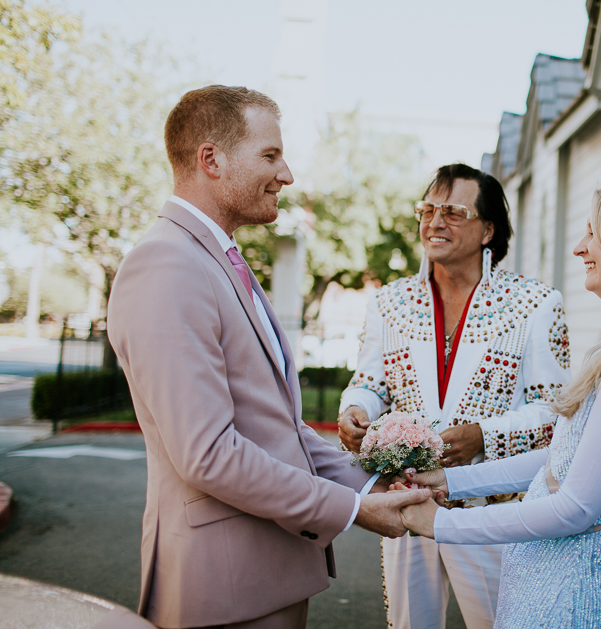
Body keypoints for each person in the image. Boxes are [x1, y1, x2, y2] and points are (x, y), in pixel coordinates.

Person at [107, 85, 429, 629]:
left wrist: (373, 485)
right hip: (221, 586)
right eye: (270, 155)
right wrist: (351, 510)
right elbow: (207, 452)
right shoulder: (167, 265)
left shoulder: (220, 258)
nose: (287, 174)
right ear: (211, 158)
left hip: (265, 574)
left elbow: (276, 427)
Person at [396, 181, 601, 628]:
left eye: (593, 233)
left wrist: (438, 525)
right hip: (549, 592)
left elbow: (573, 509)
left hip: (567, 604)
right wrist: (451, 480)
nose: (579, 248)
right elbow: (561, 460)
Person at [338, 163, 571, 629]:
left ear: (488, 229)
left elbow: (555, 414)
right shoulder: (389, 302)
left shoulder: (535, 303)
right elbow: (371, 381)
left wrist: (484, 436)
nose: (435, 222)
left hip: (494, 508)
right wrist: (356, 408)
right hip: (405, 497)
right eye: (428, 209)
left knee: (498, 623)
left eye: (454, 211)